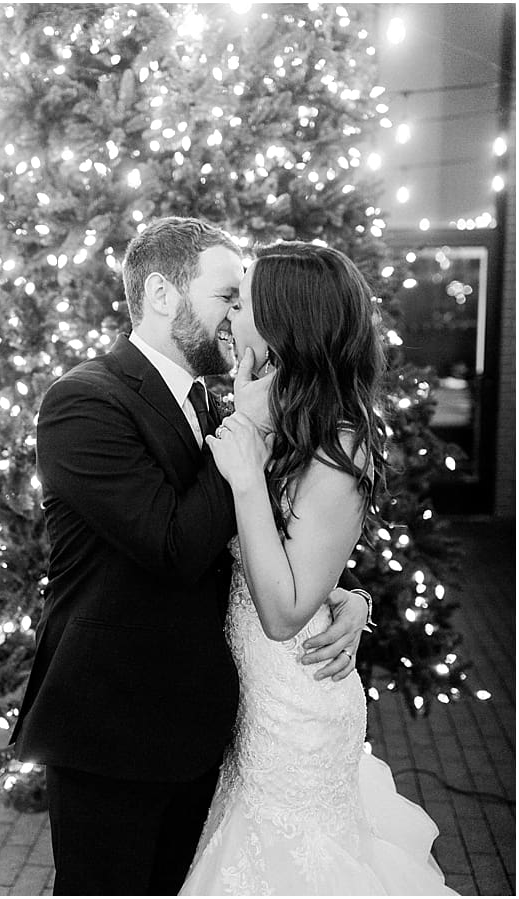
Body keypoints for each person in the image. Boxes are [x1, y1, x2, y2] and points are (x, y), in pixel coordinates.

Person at [11, 217, 371, 895]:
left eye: (243, 299)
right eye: (226, 295)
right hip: (113, 727)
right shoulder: (85, 401)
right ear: (161, 294)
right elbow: (174, 545)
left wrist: (345, 594)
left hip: (208, 729)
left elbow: (265, 539)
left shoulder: (219, 402)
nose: (238, 315)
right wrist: (252, 429)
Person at [179, 242, 455, 894]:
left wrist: (246, 476)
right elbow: (298, 556)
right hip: (251, 707)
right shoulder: (268, 406)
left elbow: (282, 610)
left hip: (297, 707)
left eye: (244, 300)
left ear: (285, 320)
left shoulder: (342, 441)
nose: (230, 311)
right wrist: (350, 593)